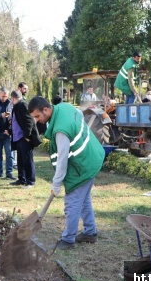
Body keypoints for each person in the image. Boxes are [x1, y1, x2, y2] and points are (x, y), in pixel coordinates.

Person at [28, 96, 104, 250]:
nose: (36, 120)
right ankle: (90, 232)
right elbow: (79, 114)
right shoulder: (65, 107)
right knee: (83, 199)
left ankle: (68, 239)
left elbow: (62, 161)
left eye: (37, 116)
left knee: (72, 203)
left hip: (83, 166)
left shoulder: (61, 130)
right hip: (92, 157)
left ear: (46, 109)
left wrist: (56, 185)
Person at [8, 90, 41, 188]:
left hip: (25, 138)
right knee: (20, 160)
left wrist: (27, 135)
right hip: (18, 137)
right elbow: (17, 122)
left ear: (13, 98)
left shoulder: (23, 105)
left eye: (11, 99)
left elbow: (29, 121)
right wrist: (10, 131)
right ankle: (21, 179)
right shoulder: (16, 106)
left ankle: (30, 181)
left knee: (27, 160)